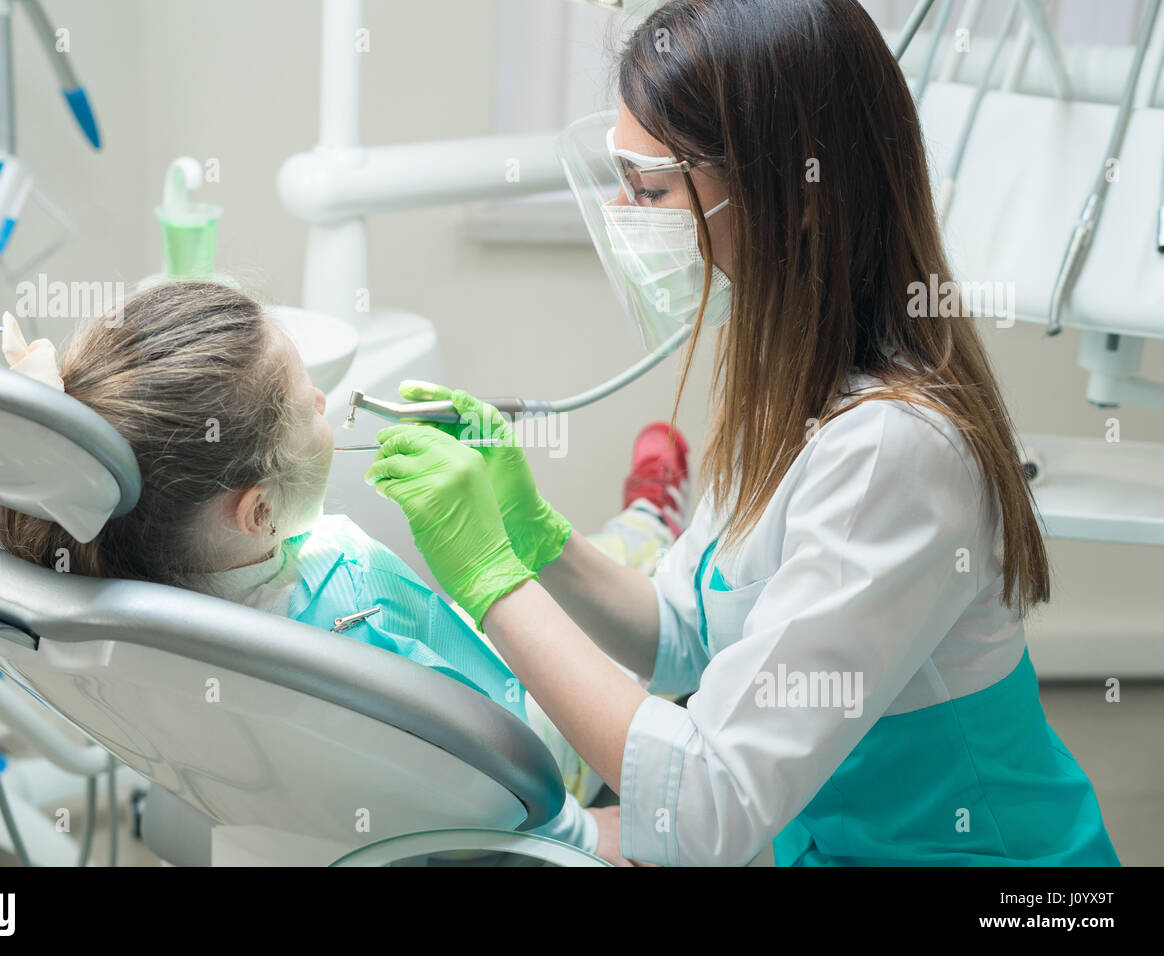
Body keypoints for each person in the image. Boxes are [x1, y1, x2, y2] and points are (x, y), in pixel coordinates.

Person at [367, 0, 1119, 866]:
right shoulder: (790, 384)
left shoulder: (895, 452)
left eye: (649, 189)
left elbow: (709, 811)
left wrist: (491, 581)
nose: (624, 214)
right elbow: (683, 636)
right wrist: (535, 539)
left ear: (795, 194)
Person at [0, 280, 687, 855]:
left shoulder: (114, 577)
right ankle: (653, 515)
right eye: (304, 404)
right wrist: (583, 833)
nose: (325, 403)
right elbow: (500, 761)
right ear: (257, 514)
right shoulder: (353, 611)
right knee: (627, 582)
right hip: (531, 729)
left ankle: (642, 521)